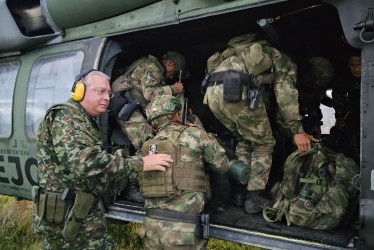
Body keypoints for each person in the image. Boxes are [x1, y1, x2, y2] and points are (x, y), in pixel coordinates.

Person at [32, 70, 173, 249]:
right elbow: (83, 162)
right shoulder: (67, 117)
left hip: (78, 210)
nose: (107, 98)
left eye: (109, 93)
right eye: (100, 91)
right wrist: (141, 163)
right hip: (66, 213)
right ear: (80, 90)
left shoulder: (83, 119)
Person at [202, 33, 318, 214]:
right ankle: (254, 198)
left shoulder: (234, 56)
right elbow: (285, 93)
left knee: (245, 141)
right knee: (264, 144)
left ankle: (240, 193)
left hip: (211, 94)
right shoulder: (282, 60)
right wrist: (297, 130)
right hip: (235, 90)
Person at [138, 95, 247, 249]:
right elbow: (222, 166)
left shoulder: (147, 146)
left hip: (151, 228)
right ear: (176, 114)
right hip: (182, 231)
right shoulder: (194, 134)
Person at [109, 52, 186, 201]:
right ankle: (133, 187)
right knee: (146, 144)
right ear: (171, 64)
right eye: (173, 72)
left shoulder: (151, 66)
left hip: (130, 107)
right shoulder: (154, 68)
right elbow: (150, 94)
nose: (171, 76)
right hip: (125, 107)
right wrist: (174, 88)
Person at [330, 52, 361, 162]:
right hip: (353, 116)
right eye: (353, 65)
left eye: (359, 65)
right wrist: (339, 117)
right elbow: (338, 99)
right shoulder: (345, 80)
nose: (356, 69)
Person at [297, 57, 335, 139]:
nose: (316, 85)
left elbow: (313, 105)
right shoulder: (293, 82)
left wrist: (315, 125)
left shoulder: (315, 88)